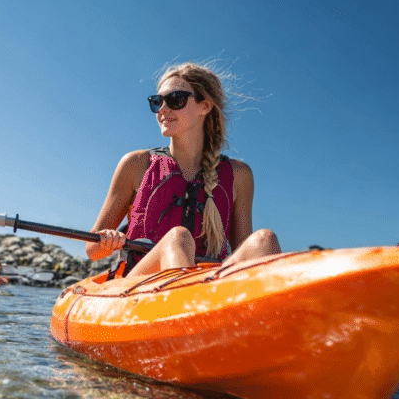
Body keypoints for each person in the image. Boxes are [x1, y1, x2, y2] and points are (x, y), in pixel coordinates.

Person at [86, 62, 281, 277]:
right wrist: (107, 241)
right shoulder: (135, 164)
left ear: (205, 106)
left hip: (208, 288)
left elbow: (244, 255)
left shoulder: (239, 175)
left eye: (175, 99)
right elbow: (92, 250)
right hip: (139, 285)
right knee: (177, 238)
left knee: (264, 240)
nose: (162, 109)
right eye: (157, 102)